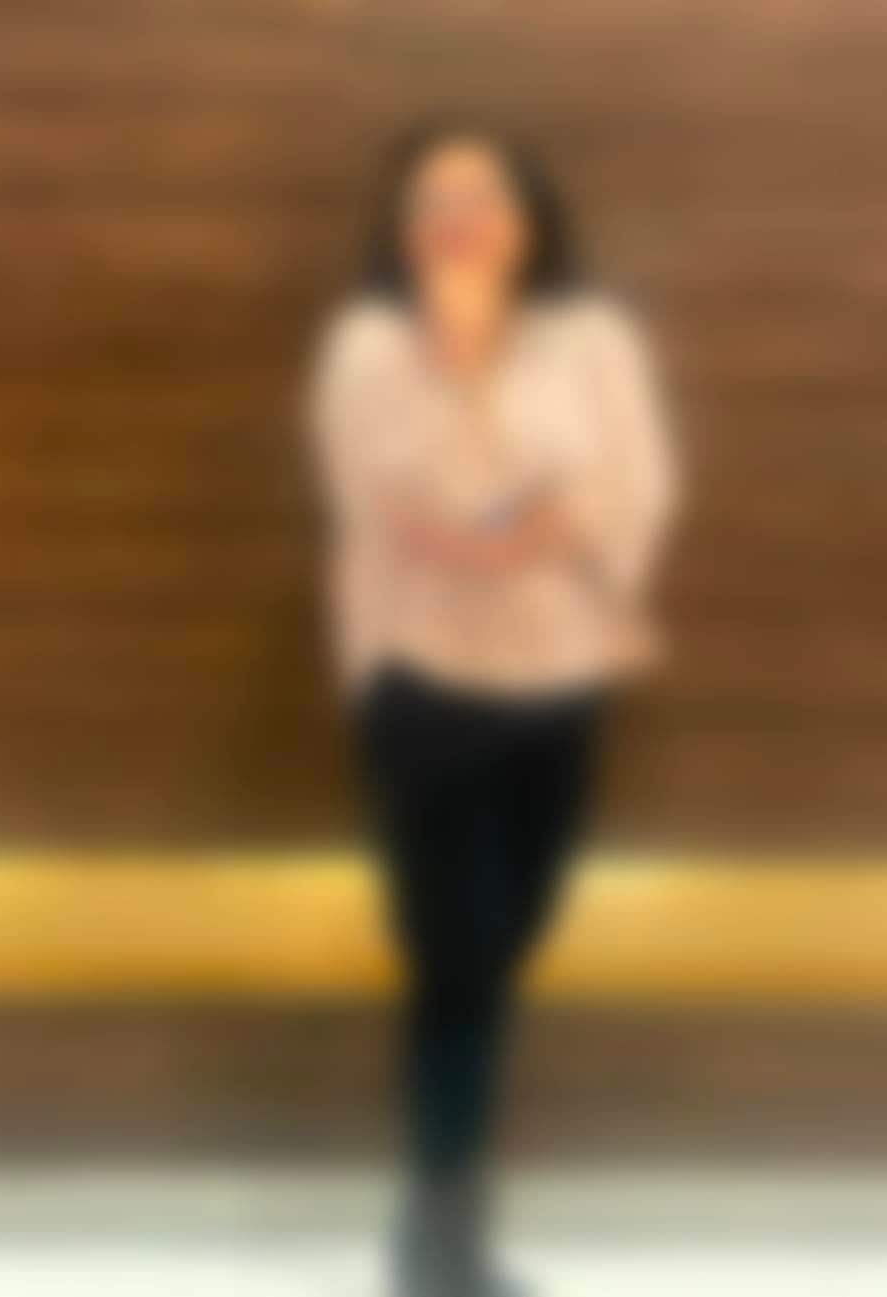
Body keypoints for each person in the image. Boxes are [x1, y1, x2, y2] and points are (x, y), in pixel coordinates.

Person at [310, 117, 679, 1297]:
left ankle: (438, 1219)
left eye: (481, 194)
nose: (456, 216)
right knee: (456, 964)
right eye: (431, 200)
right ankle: (440, 1238)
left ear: (527, 220)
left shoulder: (593, 338)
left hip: (562, 680)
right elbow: (404, 500)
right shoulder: (369, 348)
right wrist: (464, 364)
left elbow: (635, 486)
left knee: (512, 937)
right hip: (422, 685)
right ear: (402, 230)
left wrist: (521, 522)